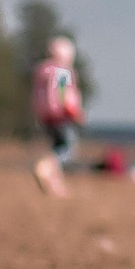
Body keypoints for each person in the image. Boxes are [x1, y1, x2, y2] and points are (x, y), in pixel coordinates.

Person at [30, 36, 83, 197]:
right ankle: (46, 167)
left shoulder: (43, 70)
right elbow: (62, 94)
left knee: (55, 148)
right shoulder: (62, 71)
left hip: (45, 117)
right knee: (68, 150)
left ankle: (56, 186)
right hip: (61, 116)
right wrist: (74, 112)